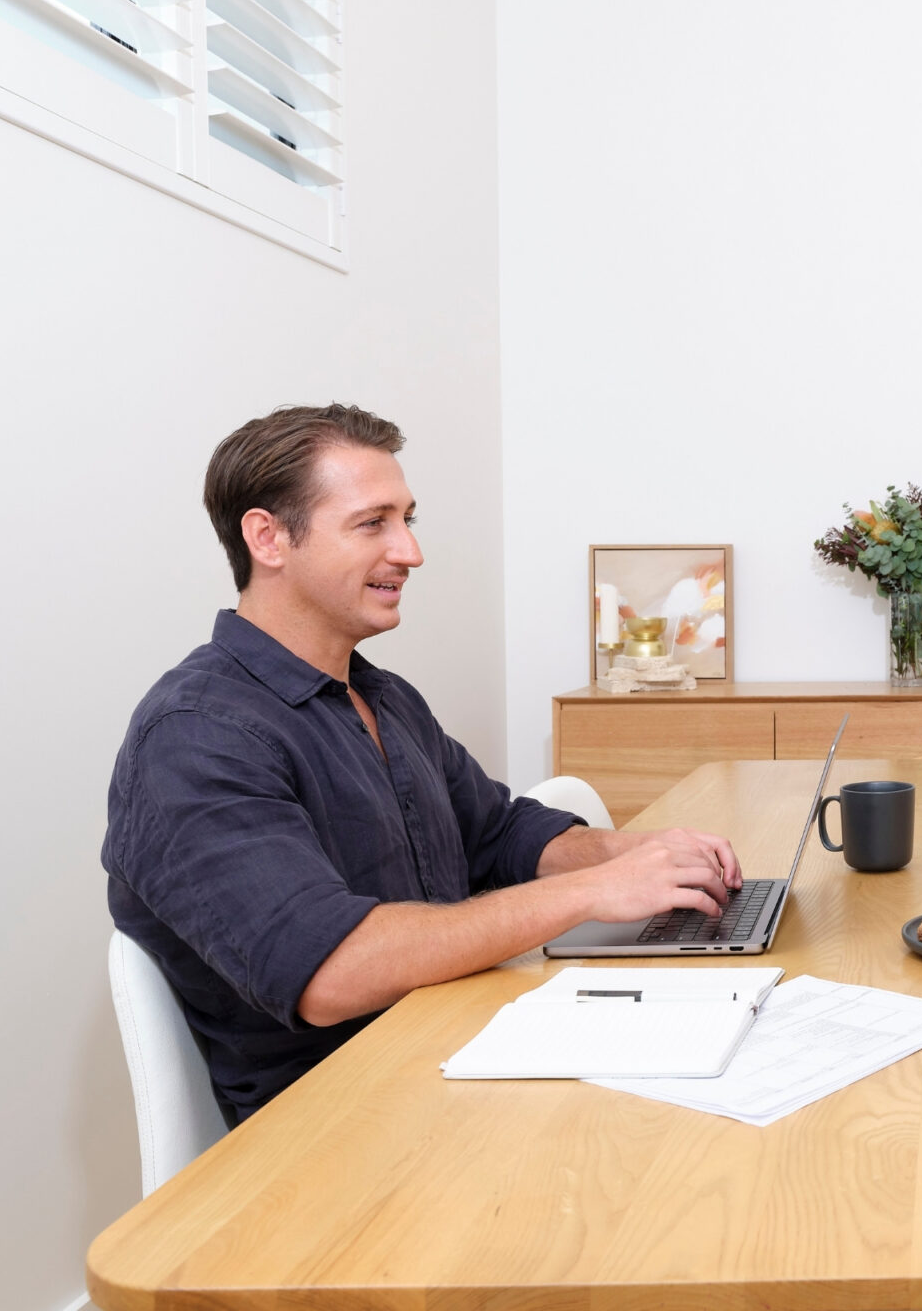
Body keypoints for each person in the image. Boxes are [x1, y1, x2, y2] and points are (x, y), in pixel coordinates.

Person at [103, 404, 744, 1125]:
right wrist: (594, 891)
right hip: (342, 1125)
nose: (410, 551)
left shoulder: (383, 696)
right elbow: (330, 970)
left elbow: (499, 833)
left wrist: (636, 854)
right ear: (268, 538)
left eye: (407, 519)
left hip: (459, 1056)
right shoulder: (196, 736)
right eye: (372, 523)